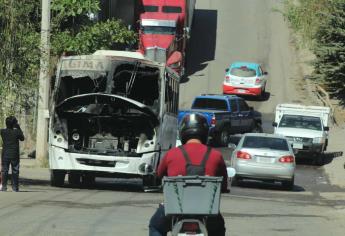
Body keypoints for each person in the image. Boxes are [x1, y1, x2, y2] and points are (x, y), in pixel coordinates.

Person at [149, 113, 228, 236]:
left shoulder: (171, 154)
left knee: (155, 227)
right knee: (219, 229)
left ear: (183, 132)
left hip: (174, 210)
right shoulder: (216, 155)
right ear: (205, 133)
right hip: (208, 212)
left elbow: (159, 175)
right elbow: (223, 184)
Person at [0, 116, 25, 192]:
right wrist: (19, 127)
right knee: (15, 171)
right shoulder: (17, 132)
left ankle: (4, 187)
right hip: (15, 155)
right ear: (14, 124)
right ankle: (15, 187)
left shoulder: (2, 131)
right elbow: (22, 138)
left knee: (4, 171)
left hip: (5, 155)